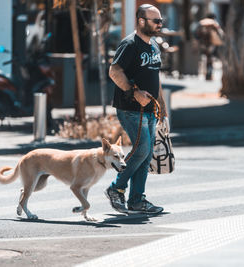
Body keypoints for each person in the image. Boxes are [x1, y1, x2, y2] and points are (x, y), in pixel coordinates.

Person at [105, 4, 168, 214]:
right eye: (155, 20)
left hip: (150, 109)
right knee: (141, 149)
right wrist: (134, 92)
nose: (160, 24)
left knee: (147, 153)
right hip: (131, 108)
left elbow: (155, 79)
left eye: (160, 20)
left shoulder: (154, 46)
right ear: (141, 21)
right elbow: (114, 71)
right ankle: (116, 189)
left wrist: (163, 108)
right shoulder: (130, 44)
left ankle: (136, 200)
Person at [195, 13, 224, 80]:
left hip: (202, 44)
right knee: (210, 59)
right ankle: (209, 74)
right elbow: (220, 34)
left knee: (203, 59)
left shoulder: (202, 23)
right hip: (211, 44)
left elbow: (196, 34)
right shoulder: (214, 24)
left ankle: (205, 73)